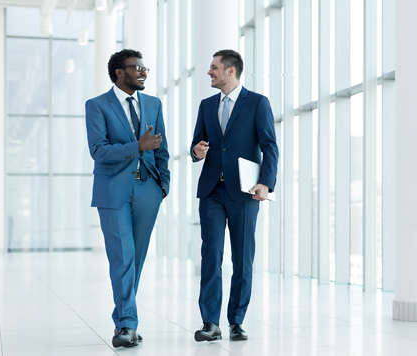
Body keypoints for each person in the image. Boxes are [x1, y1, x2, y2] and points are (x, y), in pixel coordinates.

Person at [191, 49, 278, 342]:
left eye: (214, 67)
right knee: (211, 255)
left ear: (231, 71)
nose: (209, 72)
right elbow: (196, 144)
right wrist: (196, 151)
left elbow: (270, 146)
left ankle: (236, 321)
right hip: (212, 191)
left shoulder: (257, 103)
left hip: (244, 193)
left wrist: (266, 183)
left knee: (242, 258)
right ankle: (210, 323)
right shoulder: (206, 105)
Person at [85, 49, 170, 349]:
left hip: (148, 189)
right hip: (114, 191)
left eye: (145, 67)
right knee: (122, 258)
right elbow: (98, 150)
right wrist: (137, 146)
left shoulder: (154, 104)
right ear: (120, 72)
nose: (144, 72)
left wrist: (163, 186)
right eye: (137, 67)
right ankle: (126, 325)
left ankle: (124, 315)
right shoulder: (97, 106)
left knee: (137, 258)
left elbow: (161, 149)